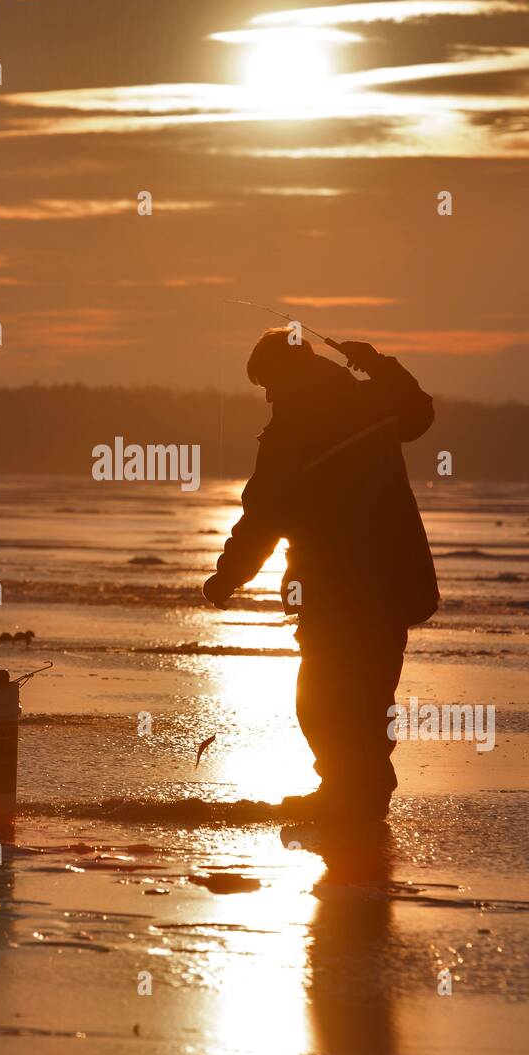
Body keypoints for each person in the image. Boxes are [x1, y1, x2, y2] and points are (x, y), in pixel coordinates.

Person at [203, 330, 439, 824]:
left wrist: (226, 578)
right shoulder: (367, 402)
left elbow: (263, 516)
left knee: (325, 699)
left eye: (268, 382)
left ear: (287, 373)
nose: (267, 396)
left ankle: (351, 797)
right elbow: (419, 411)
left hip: (337, 588)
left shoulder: (291, 433)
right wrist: (375, 363)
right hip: (391, 581)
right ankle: (359, 797)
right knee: (369, 695)